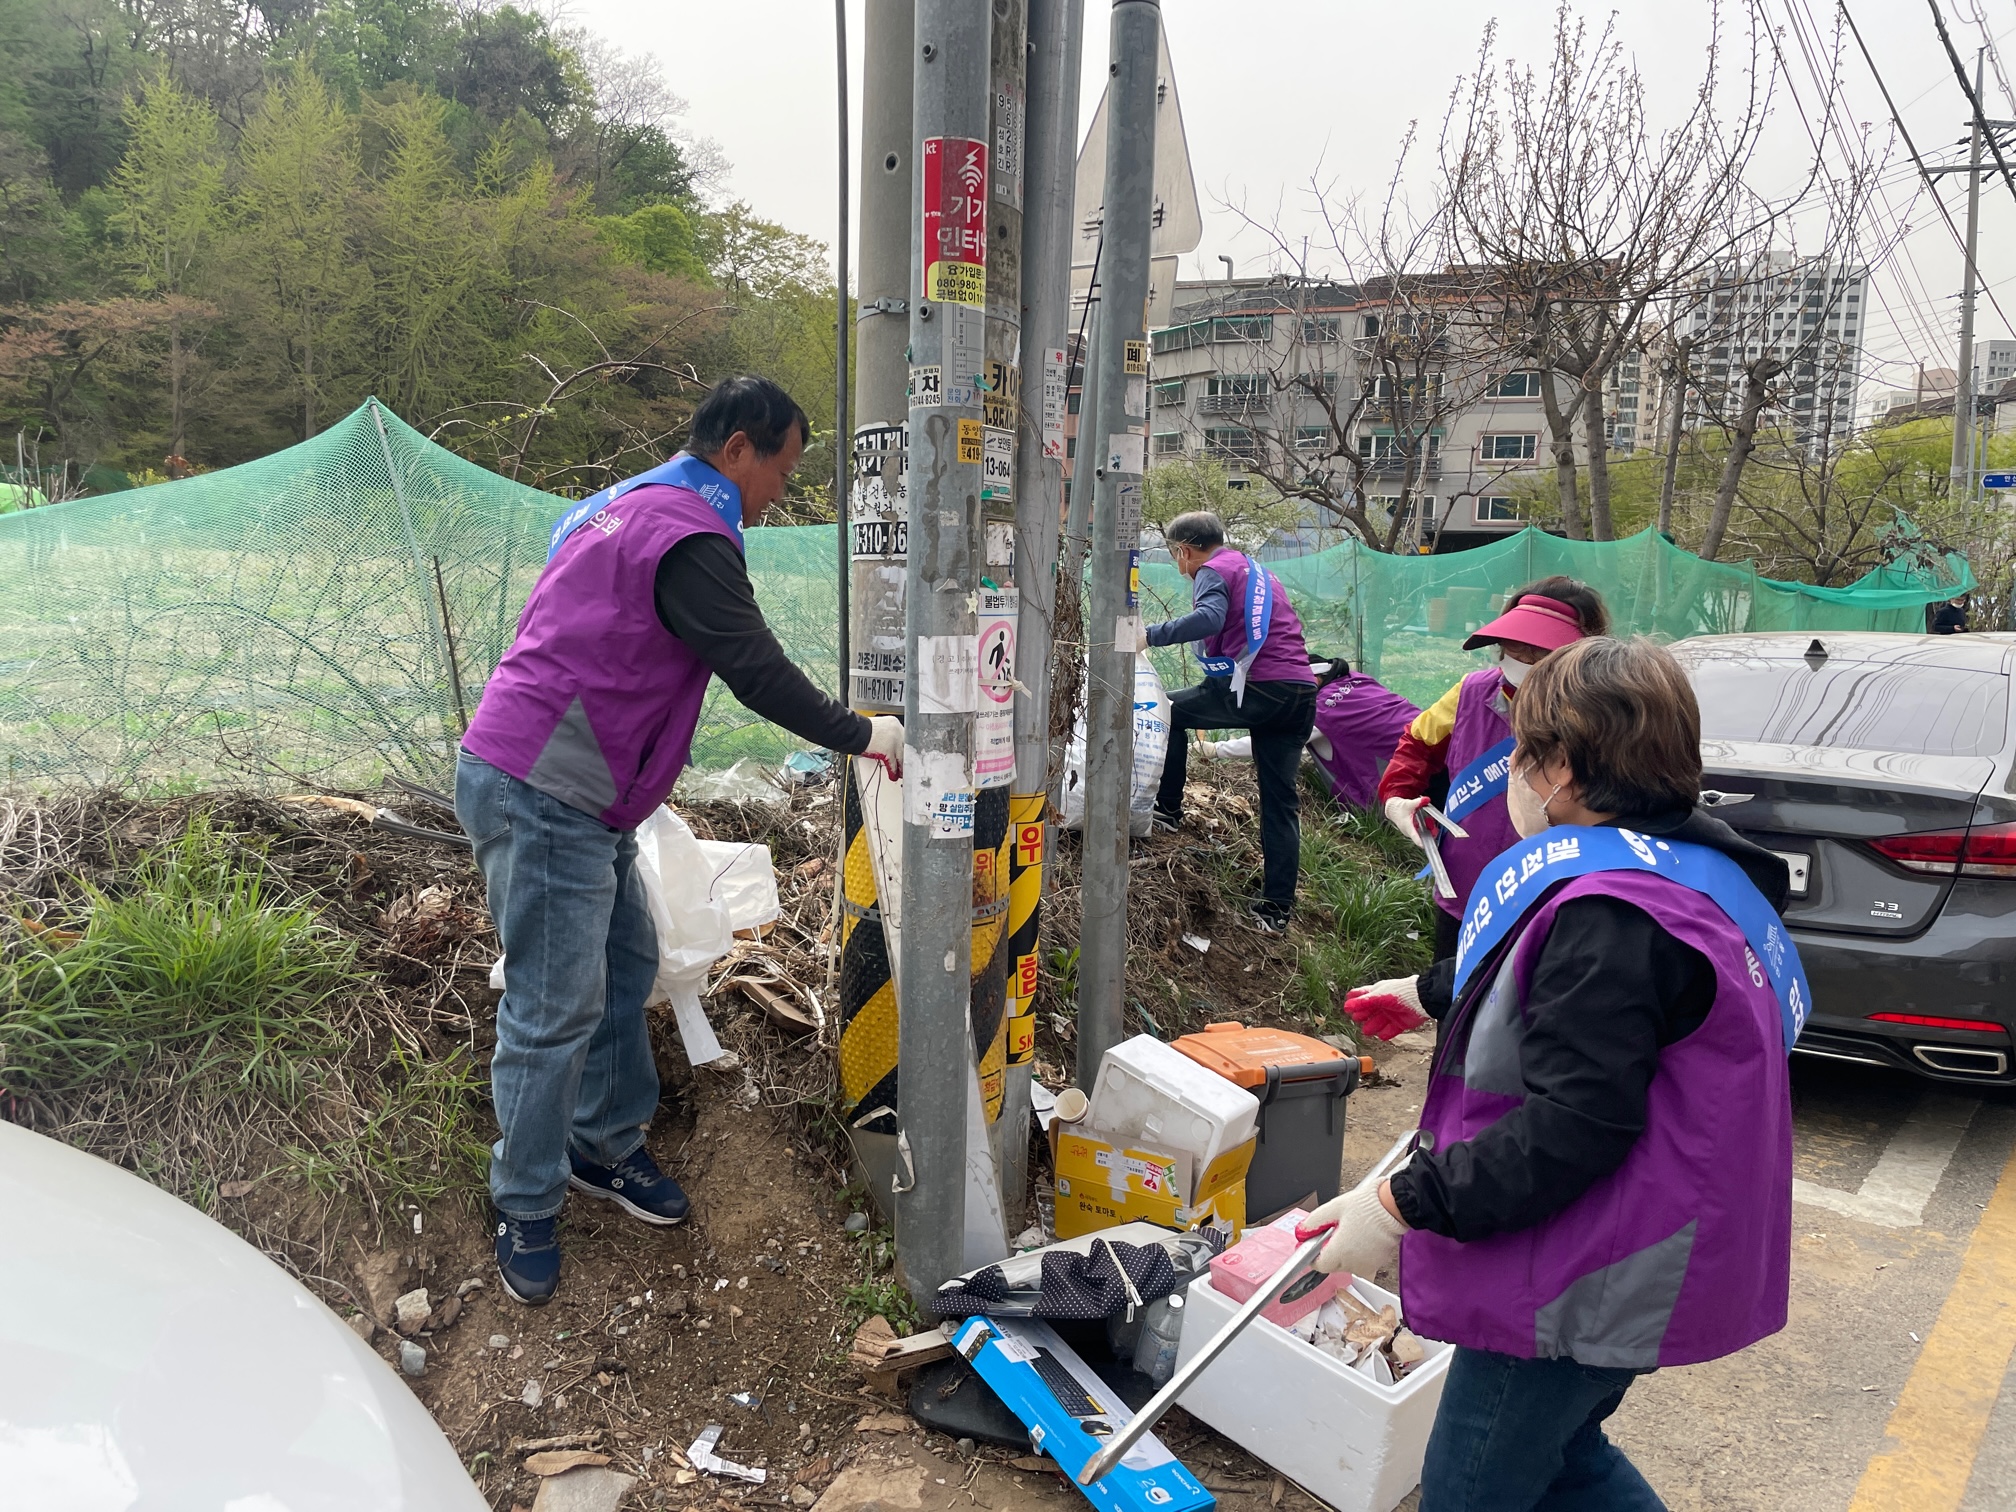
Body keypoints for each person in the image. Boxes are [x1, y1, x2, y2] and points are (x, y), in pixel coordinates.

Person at [1309, 637, 1803, 1511]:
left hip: (1584, 1272)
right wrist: (1430, 992)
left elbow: (1576, 1122)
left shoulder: (1612, 913)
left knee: (1471, 1488)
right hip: (1651, 1242)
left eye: (1520, 753)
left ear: (1563, 768)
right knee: (1568, 1460)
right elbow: (1601, 1007)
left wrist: (1399, 1206)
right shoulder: (1691, 871)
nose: (1509, 773)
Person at [456, 376, 904, 1305]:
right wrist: (865, 733)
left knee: (627, 963)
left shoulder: (617, 506)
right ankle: (527, 1200)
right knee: (552, 1006)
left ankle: (602, 1145)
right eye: (779, 468)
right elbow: (752, 667)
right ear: (738, 448)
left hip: (582, 788)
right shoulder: (687, 533)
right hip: (548, 788)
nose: (779, 491)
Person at [1377, 578, 1608, 961]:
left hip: (1549, 897)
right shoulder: (1471, 692)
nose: (1520, 656)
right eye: (1513, 643)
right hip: (1463, 886)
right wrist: (1398, 797)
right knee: (1450, 999)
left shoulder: (1601, 715)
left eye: (1538, 648)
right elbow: (1417, 744)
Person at [1142, 511, 1317, 933]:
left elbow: (1210, 619)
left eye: (1175, 555)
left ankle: (1167, 810)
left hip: (1259, 688)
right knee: (1280, 804)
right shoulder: (1255, 570)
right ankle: (1275, 912)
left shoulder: (1211, 570)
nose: (1178, 565)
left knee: (1169, 711)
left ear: (1183, 550)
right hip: (1300, 693)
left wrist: (1148, 635)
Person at [1195, 656, 1421, 811]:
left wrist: (1216, 749)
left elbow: (1275, 741)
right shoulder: (1358, 679)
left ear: (1312, 680)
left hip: (1409, 768)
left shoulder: (1322, 710)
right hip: (1429, 735)